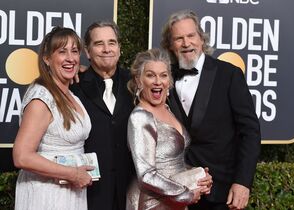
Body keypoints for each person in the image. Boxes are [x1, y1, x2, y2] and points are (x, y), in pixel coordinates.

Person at [161, 10, 261, 210]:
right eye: (179, 38)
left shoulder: (229, 75)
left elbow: (250, 131)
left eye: (191, 36)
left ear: (201, 38)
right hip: (177, 190)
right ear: (170, 44)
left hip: (221, 192)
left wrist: (242, 182)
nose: (186, 43)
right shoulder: (163, 77)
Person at [13, 26, 93, 210]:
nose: (70, 58)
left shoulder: (70, 95)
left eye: (74, 51)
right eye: (62, 52)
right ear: (47, 58)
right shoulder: (41, 99)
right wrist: (72, 174)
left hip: (71, 193)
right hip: (46, 195)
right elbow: (21, 156)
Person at [126, 48, 213, 210]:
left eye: (163, 75)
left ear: (169, 80)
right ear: (139, 80)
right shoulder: (140, 117)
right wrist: (185, 194)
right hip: (153, 203)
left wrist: (198, 176)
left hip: (175, 202)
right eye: (150, 75)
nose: (158, 81)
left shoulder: (167, 109)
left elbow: (172, 162)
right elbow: (146, 175)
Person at [70, 20, 135, 210]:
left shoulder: (136, 82)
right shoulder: (73, 86)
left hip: (129, 191)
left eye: (112, 42)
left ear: (119, 48)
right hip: (89, 192)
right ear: (87, 52)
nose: (107, 49)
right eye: (99, 44)